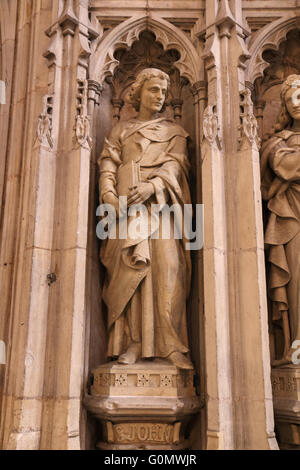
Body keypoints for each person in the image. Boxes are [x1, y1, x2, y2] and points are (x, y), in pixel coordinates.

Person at [98, 68, 193, 369]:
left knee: (169, 272)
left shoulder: (175, 133)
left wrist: (154, 185)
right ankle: (132, 344)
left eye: (163, 92)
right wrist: (109, 196)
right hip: (126, 212)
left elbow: (178, 166)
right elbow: (108, 166)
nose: (159, 96)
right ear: (137, 93)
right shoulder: (120, 131)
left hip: (163, 210)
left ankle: (171, 346)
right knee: (132, 273)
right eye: (153, 90)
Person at [261, 74, 300, 364]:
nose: (296, 102)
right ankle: (295, 344)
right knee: (297, 281)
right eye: (291, 98)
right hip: (292, 219)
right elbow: (284, 166)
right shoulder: (277, 142)